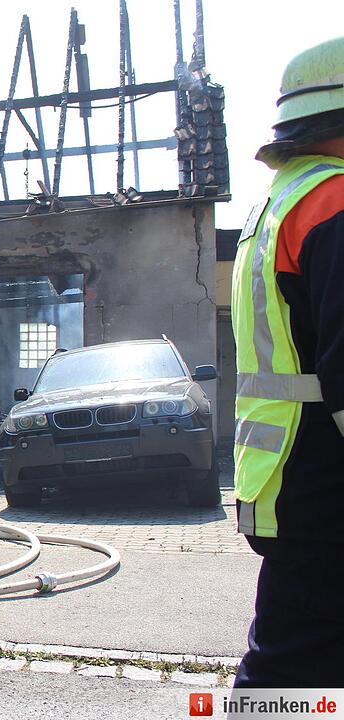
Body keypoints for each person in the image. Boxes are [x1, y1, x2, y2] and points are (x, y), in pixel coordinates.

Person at [231, 36, 344, 688]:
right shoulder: (334, 203)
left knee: (291, 667)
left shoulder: (275, 205)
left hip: (287, 481)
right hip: (329, 488)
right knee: (291, 679)